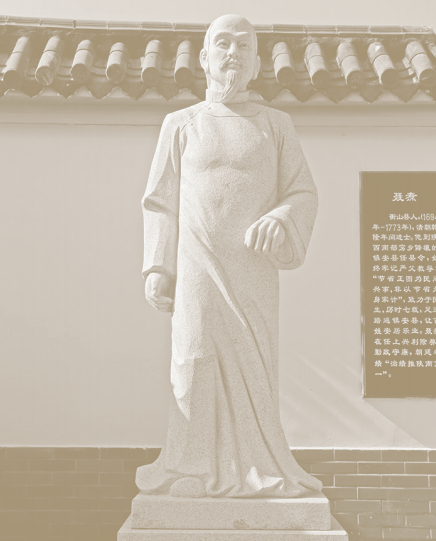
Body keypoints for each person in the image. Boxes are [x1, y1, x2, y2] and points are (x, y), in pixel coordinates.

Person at [136, 14, 322, 498]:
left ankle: (258, 467)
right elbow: (159, 201)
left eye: (243, 46)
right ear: (204, 57)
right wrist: (158, 265)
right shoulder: (181, 124)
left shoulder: (275, 125)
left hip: (252, 274)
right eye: (222, 44)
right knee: (193, 363)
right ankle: (189, 468)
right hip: (196, 272)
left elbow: (302, 192)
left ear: (257, 63)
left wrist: (282, 217)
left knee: (255, 372)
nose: (232, 53)